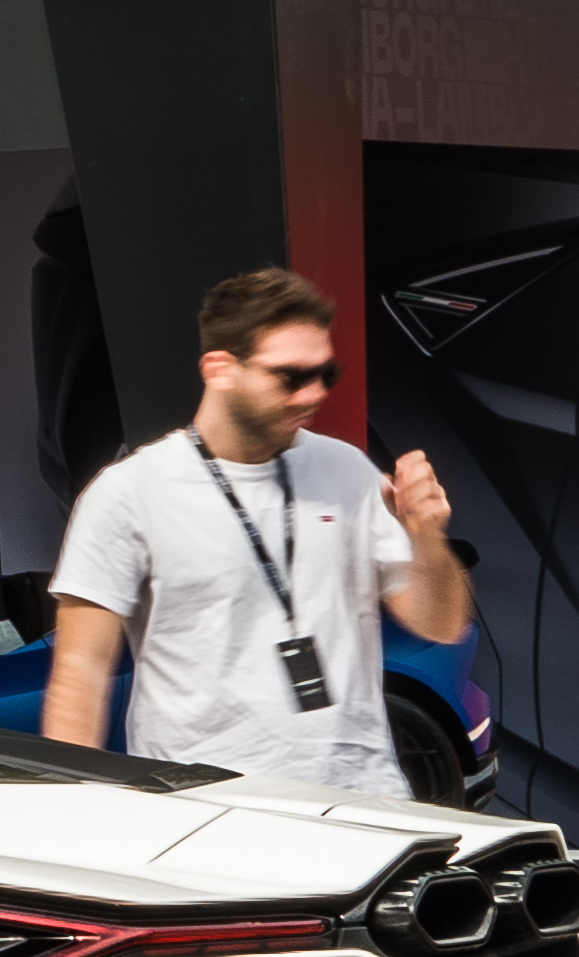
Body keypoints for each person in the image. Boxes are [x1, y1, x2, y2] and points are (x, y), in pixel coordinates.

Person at [42, 266, 469, 793]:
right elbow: (81, 670)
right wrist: (69, 819)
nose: (313, 393)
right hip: (209, 811)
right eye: (289, 376)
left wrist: (427, 535)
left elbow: (440, 625)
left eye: (326, 374)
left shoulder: (349, 470)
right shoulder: (129, 494)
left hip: (365, 801)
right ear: (219, 368)